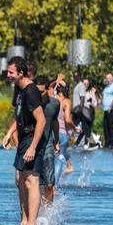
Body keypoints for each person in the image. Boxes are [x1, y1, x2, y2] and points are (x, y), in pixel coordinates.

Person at [1, 56, 46, 225]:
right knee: (20, 181)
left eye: (11, 72)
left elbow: (41, 121)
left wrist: (33, 147)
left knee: (31, 181)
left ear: (21, 73)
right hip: (23, 137)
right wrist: (9, 132)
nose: (8, 75)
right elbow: (19, 116)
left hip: (32, 139)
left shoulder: (31, 91)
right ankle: (24, 223)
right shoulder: (19, 91)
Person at [35, 74, 61, 206]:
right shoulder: (30, 103)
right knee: (34, 185)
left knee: (49, 184)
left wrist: (56, 140)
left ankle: (48, 214)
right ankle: (35, 213)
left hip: (47, 146)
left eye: (42, 92)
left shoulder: (55, 104)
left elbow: (55, 122)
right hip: (32, 149)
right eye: (37, 92)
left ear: (48, 89)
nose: (39, 95)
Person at [101, 71, 113, 149]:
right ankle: (107, 143)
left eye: (110, 78)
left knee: (111, 125)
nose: (108, 79)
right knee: (105, 125)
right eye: (107, 78)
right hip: (106, 109)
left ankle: (112, 144)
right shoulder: (107, 85)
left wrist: (110, 106)